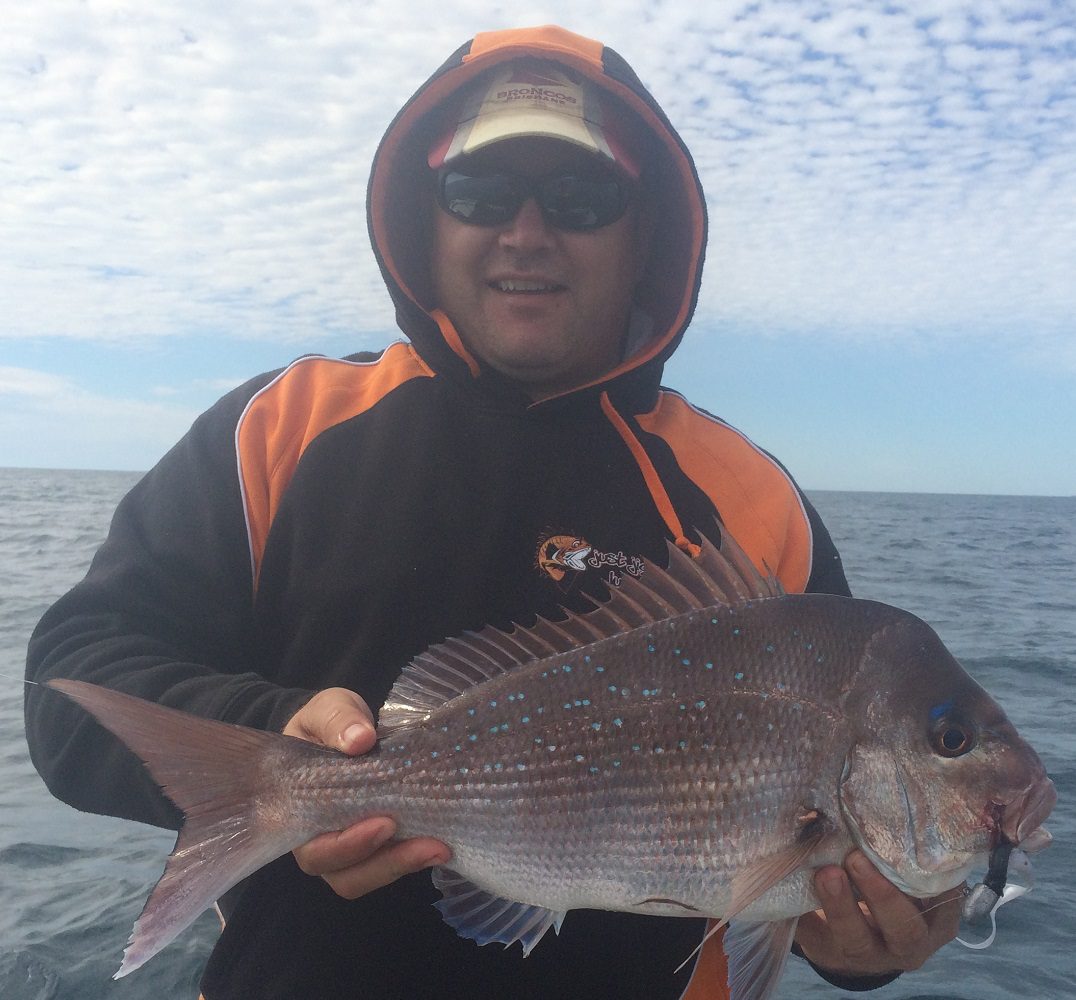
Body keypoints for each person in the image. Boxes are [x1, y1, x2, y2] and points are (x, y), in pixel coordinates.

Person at [24, 24, 960, 1000]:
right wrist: (269, 733)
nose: (525, 231)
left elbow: (809, 894)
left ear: (645, 231)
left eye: (580, 197)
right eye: (476, 191)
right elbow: (70, 682)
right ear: (424, 218)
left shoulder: (752, 504)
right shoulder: (277, 432)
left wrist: (866, 942)